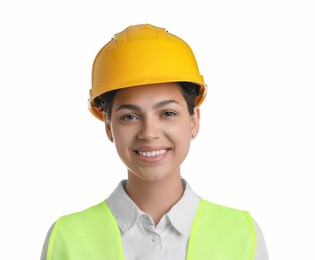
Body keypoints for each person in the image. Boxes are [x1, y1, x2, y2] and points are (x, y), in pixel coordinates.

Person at [41, 23, 269, 260]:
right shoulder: (68, 238)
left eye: (168, 113)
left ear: (193, 121)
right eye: (130, 116)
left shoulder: (240, 234)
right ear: (109, 127)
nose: (149, 133)